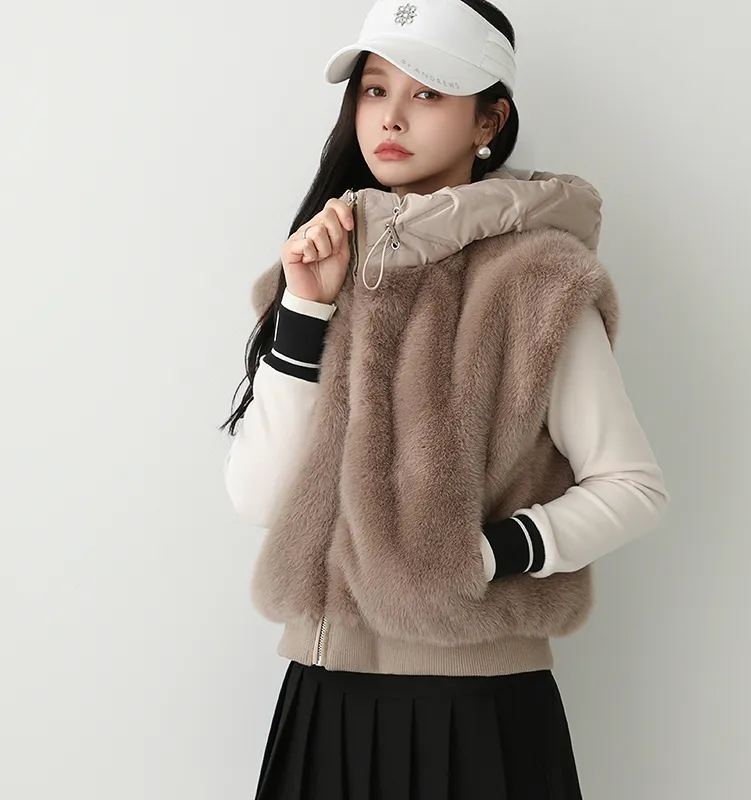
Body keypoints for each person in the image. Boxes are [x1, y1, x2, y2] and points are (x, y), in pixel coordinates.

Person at [220, 0, 669, 797]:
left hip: (474, 708)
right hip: (321, 696)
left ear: (489, 121)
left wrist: (484, 556)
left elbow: (633, 487)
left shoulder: (537, 282)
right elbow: (262, 499)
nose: (390, 117)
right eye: (374, 89)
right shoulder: (321, 268)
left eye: (427, 93)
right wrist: (306, 308)